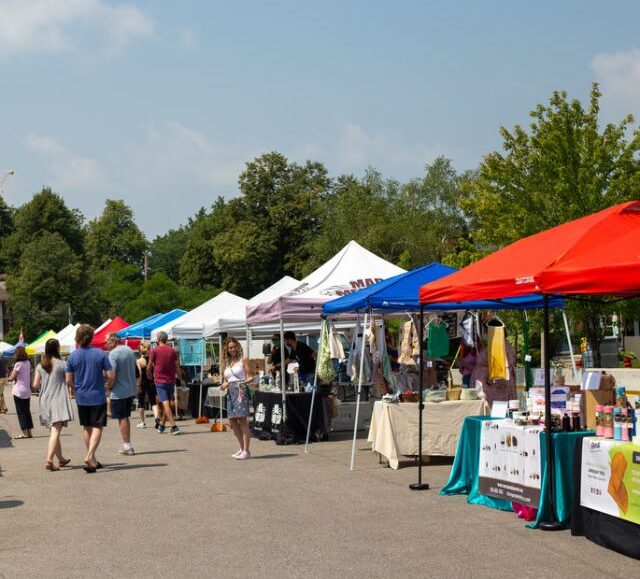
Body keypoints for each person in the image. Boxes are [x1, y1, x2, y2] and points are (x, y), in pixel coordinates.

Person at [65, 324, 115, 473]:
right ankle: (90, 455)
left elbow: (68, 380)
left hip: (82, 397)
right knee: (97, 426)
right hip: (97, 395)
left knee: (86, 427)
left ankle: (92, 459)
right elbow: (111, 375)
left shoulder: (73, 355)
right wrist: (108, 386)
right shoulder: (100, 354)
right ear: (92, 336)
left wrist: (75, 388)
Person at [34, 338, 73, 471]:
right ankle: (49, 460)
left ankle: (61, 459)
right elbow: (68, 381)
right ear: (57, 348)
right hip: (58, 399)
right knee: (56, 430)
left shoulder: (40, 365)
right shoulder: (63, 363)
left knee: (53, 431)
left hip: (44, 399)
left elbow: (35, 385)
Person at [105, 332, 138, 456]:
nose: (105, 344)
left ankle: (127, 445)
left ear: (113, 341)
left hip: (119, 391)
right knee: (125, 417)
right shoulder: (129, 350)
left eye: (107, 341)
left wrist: (108, 386)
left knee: (122, 418)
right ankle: (127, 443)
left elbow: (111, 375)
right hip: (129, 389)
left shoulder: (113, 354)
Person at [220, 337, 253, 459]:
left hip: (240, 391)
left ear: (238, 346)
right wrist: (223, 386)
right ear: (227, 349)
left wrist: (243, 383)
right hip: (230, 393)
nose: (232, 349)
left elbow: (251, 376)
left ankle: (246, 450)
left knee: (242, 421)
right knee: (232, 423)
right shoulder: (226, 363)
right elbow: (225, 380)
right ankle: (241, 447)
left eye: (234, 346)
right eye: (230, 347)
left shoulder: (243, 360)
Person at [147, 331, 183, 435]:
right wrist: (180, 378)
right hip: (171, 381)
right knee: (165, 405)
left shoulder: (154, 351)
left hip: (160, 381)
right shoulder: (173, 351)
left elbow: (149, 365)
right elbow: (177, 366)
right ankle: (162, 426)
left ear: (158, 339)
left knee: (165, 404)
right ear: (166, 339)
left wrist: (148, 373)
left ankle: (174, 426)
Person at [10, 346, 33, 439]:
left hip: (19, 391)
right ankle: (30, 432)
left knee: (21, 412)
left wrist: (11, 374)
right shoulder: (28, 363)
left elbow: (13, 376)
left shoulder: (18, 364)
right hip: (27, 391)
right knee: (27, 411)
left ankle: (24, 433)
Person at [136, 341, 159, 430]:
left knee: (141, 402)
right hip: (151, 382)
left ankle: (142, 422)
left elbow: (139, 374)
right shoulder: (152, 361)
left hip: (142, 383)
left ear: (140, 351)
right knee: (153, 402)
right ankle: (157, 418)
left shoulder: (138, 361)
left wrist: (138, 384)